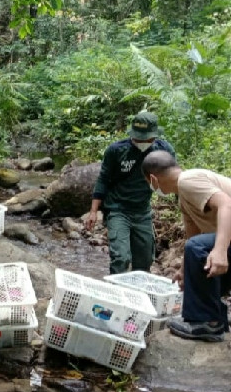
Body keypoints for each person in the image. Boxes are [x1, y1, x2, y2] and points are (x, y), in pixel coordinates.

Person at [141, 150, 231, 342]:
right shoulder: (184, 196)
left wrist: (220, 250)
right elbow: (194, 234)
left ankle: (207, 322)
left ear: (153, 179)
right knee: (200, 252)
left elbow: (226, 204)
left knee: (201, 248)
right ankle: (216, 317)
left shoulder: (188, 180)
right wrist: (184, 271)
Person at [85, 111, 176, 274]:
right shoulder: (116, 150)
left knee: (144, 262)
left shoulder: (164, 151)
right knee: (121, 258)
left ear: (154, 136)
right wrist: (93, 211)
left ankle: (138, 290)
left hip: (143, 212)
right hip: (118, 210)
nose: (142, 142)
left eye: (146, 139)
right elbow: (103, 179)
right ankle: (115, 289)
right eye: (138, 138)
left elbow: (174, 177)